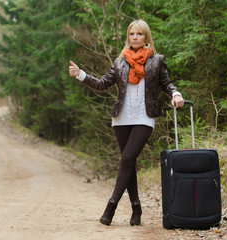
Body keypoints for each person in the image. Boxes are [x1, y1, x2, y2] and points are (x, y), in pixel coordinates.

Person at [68, 19, 184, 226]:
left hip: (144, 117)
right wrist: (81, 75)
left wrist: (176, 94)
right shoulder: (120, 61)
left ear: (146, 37)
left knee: (126, 159)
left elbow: (166, 83)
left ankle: (111, 206)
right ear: (128, 37)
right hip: (121, 118)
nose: (135, 37)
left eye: (139, 34)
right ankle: (136, 208)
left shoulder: (157, 61)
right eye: (132, 34)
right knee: (129, 163)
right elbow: (103, 84)